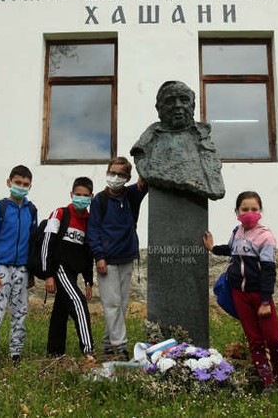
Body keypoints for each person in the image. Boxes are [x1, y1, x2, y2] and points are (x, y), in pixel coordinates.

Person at [202, 191, 278, 395]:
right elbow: (230, 250)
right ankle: (267, 382)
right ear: (237, 211)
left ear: (260, 211)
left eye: (254, 209)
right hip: (239, 294)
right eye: (245, 209)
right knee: (254, 340)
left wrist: (264, 300)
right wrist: (212, 248)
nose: (250, 213)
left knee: (273, 339)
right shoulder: (237, 231)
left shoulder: (266, 237)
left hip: (260, 296)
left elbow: (269, 271)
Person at [86, 156, 147, 360]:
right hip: (107, 261)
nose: (116, 177)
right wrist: (99, 257)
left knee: (120, 305)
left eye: (121, 174)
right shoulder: (99, 201)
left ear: (128, 177)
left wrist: (141, 166)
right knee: (111, 304)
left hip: (127, 257)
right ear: (107, 172)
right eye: (112, 172)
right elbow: (93, 230)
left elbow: (146, 180)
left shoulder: (131, 195)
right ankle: (120, 347)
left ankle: (107, 346)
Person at [0, 164, 38, 373]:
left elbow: (32, 243)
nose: (21, 187)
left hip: (22, 269)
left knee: (20, 313)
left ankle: (16, 354)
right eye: (17, 183)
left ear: (30, 185)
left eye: (25, 184)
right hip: (1, 267)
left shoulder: (31, 210)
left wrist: (32, 272)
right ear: (9, 183)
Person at [131, 80, 225, 201]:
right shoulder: (147, 143)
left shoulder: (202, 138)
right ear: (159, 108)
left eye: (184, 100)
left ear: (193, 105)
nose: (178, 105)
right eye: (170, 101)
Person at [42, 176, 96, 362]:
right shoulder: (59, 213)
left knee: (61, 309)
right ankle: (88, 351)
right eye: (77, 194)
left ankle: (54, 353)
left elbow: (88, 252)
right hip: (59, 268)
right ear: (71, 194)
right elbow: (46, 244)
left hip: (74, 271)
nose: (81, 198)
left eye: (85, 195)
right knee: (78, 301)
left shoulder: (90, 221)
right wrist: (48, 274)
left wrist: (89, 280)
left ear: (91, 197)